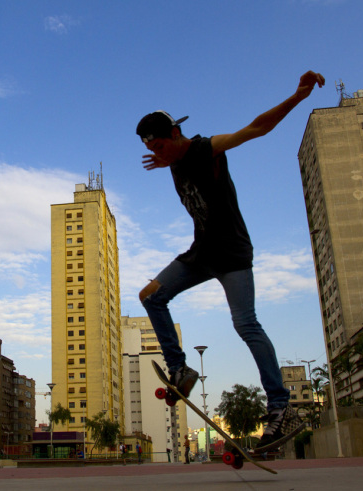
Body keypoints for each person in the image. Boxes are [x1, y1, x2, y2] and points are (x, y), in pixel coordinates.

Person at [136, 71, 325, 452]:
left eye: (159, 147)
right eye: (150, 150)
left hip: (232, 253)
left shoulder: (208, 148)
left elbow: (256, 128)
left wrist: (297, 96)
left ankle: (281, 405)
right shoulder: (170, 159)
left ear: (175, 135)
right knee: (151, 296)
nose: (156, 155)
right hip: (200, 253)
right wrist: (163, 159)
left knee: (245, 324)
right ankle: (180, 369)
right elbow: (171, 158)